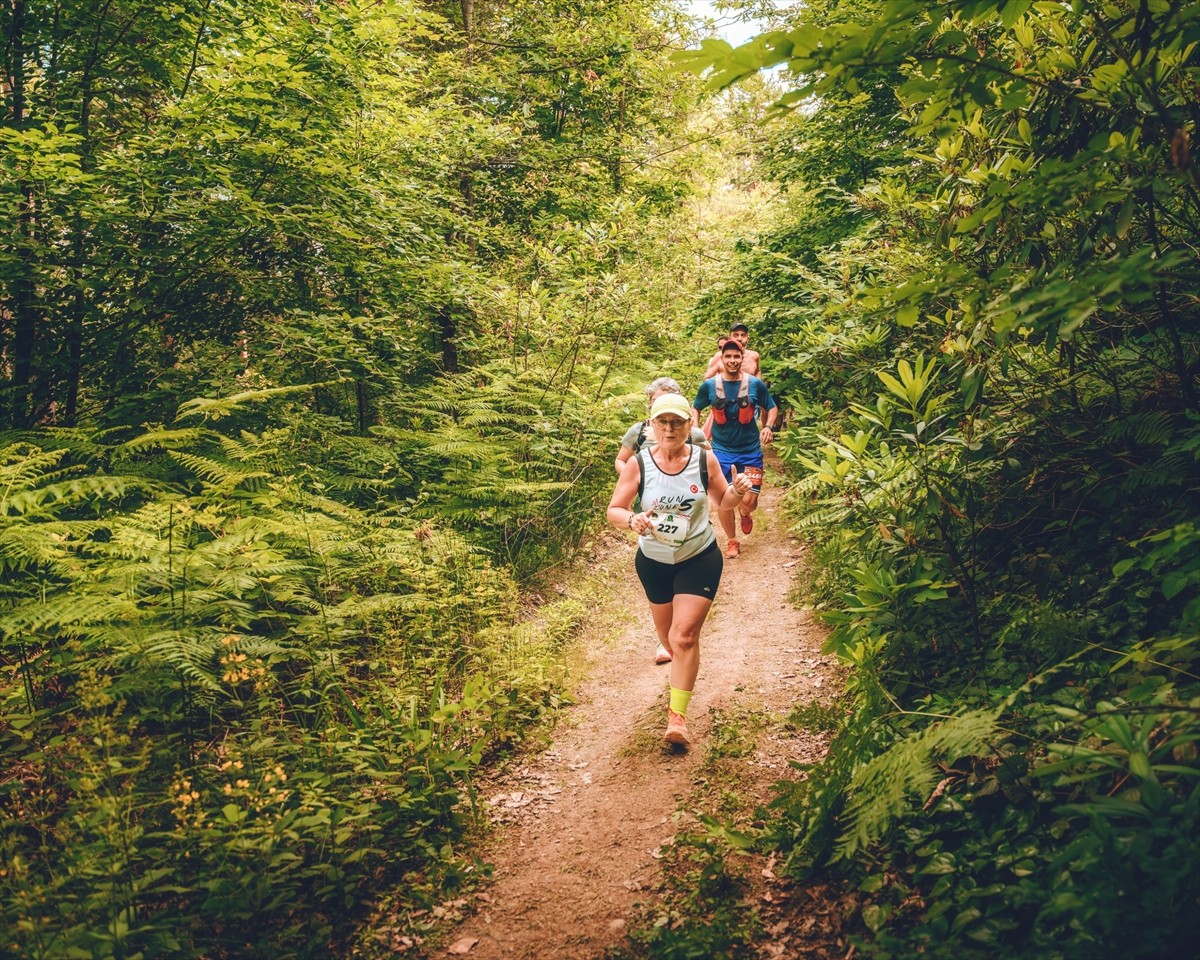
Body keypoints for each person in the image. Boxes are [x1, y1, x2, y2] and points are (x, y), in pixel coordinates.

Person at [608, 393, 753, 746]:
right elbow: (615, 509)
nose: (670, 429)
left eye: (677, 422)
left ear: (690, 426)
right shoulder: (638, 464)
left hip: (698, 557)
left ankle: (678, 719)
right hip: (654, 562)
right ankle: (678, 670)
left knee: (684, 635)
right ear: (652, 426)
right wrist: (632, 519)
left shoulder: (704, 460)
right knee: (668, 640)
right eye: (663, 422)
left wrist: (737, 490)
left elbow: (723, 502)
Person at [692, 339, 778, 559]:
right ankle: (732, 540)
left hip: (750, 450)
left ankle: (746, 513)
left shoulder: (754, 384)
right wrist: (696, 432)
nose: (732, 360)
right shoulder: (710, 386)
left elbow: (771, 407)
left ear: (742, 358)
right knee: (723, 499)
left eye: (736, 356)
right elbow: (696, 408)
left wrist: (767, 426)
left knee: (749, 501)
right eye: (728, 356)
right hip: (721, 451)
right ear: (721, 359)